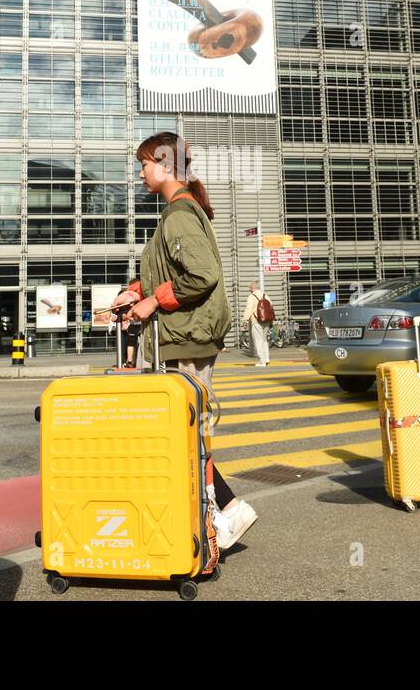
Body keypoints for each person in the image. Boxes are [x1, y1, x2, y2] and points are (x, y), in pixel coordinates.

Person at [110, 132, 258, 550]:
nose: (140, 173)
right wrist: (136, 292)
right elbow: (171, 273)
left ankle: (224, 515)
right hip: (182, 338)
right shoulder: (178, 213)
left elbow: (202, 275)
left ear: (163, 165)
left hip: (184, 342)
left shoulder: (178, 214)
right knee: (180, 434)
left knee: (185, 435)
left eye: (143, 164)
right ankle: (219, 514)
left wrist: (152, 302)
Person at [241, 282, 273, 367]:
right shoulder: (265, 295)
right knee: (264, 340)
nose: (249, 290)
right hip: (267, 320)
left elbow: (249, 309)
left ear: (252, 288)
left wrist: (245, 321)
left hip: (256, 320)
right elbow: (271, 307)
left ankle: (261, 361)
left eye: (249, 288)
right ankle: (266, 358)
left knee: (258, 341)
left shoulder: (251, 297)